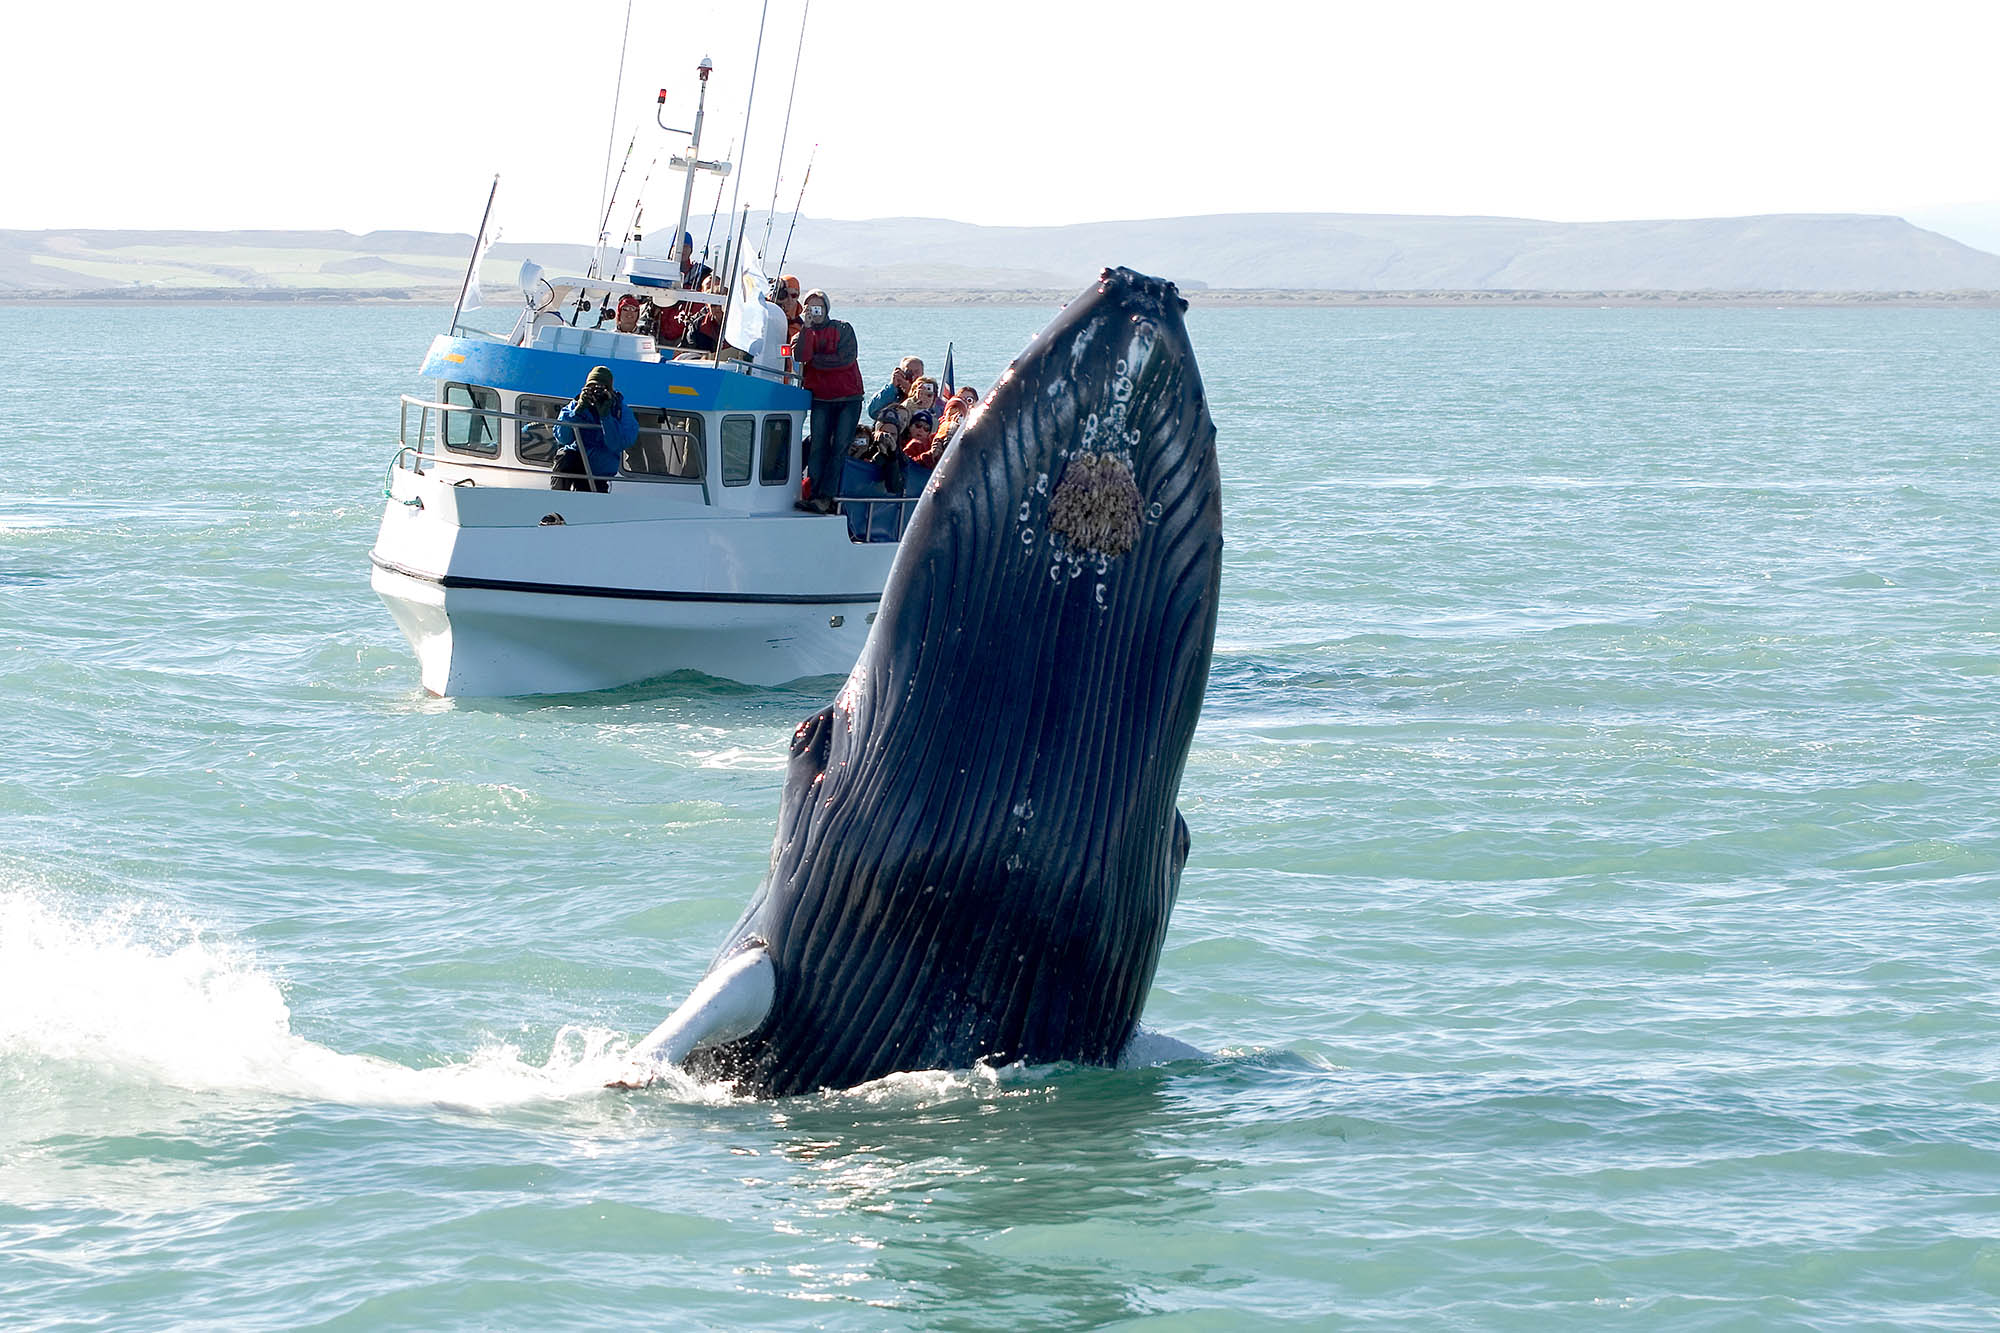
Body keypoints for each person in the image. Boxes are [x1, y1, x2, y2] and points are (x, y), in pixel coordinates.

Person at [794, 289, 864, 513]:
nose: (815, 311)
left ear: (826, 308)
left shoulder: (843, 328)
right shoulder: (804, 334)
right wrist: (806, 329)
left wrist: (816, 361)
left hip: (849, 398)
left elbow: (845, 359)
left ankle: (826, 496)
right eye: (810, 307)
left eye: (819, 307)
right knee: (818, 447)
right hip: (822, 399)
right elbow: (801, 356)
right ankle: (814, 494)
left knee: (839, 448)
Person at [551, 365, 638, 493]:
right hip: (575, 463)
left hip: (599, 472)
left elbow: (617, 444)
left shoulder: (621, 411)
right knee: (565, 457)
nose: (596, 393)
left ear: (610, 390)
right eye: (592, 388)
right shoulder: (575, 405)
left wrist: (606, 416)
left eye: (602, 389)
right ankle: (556, 498)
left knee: (592, 500)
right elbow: (563, 438)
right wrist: (578, 411)